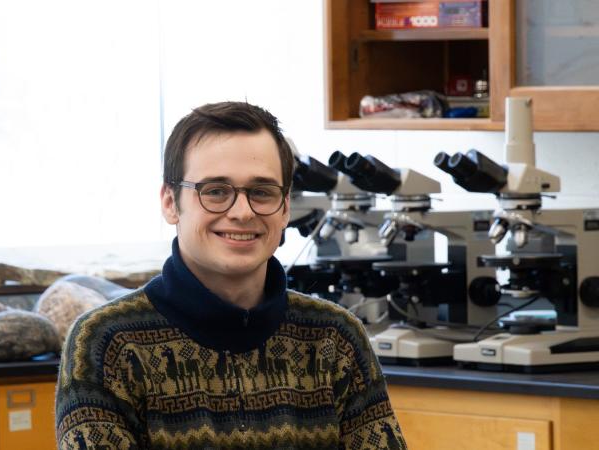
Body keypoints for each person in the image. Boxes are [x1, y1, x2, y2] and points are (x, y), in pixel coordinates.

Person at [56, 101, 407, 449]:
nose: (242, 212)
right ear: (169, 202)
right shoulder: (107, 344)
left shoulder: (336, 339)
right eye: (216, 191)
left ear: (285, 207)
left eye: (261, 192)